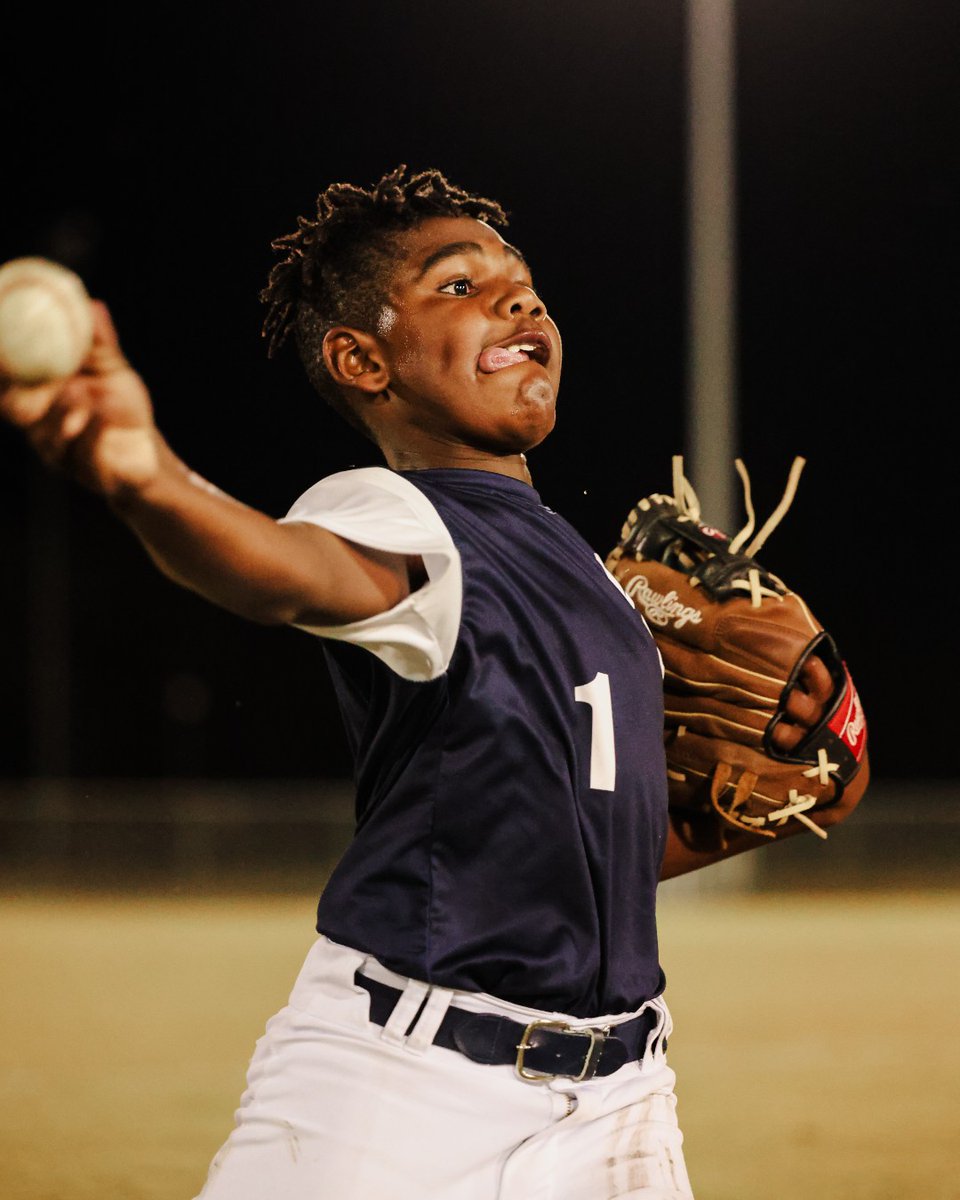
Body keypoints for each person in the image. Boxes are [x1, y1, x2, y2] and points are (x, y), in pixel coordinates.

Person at [0, 165, 868, 1200]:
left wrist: (740, 811)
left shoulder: (587, 580)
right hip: (400, 1093)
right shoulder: (406, 516)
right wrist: (148, 480)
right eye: (457, 285)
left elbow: (562, 850)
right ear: (363, 360)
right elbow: (286, 572)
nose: (518, 297)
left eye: (524, 282)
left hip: (619, 1100)